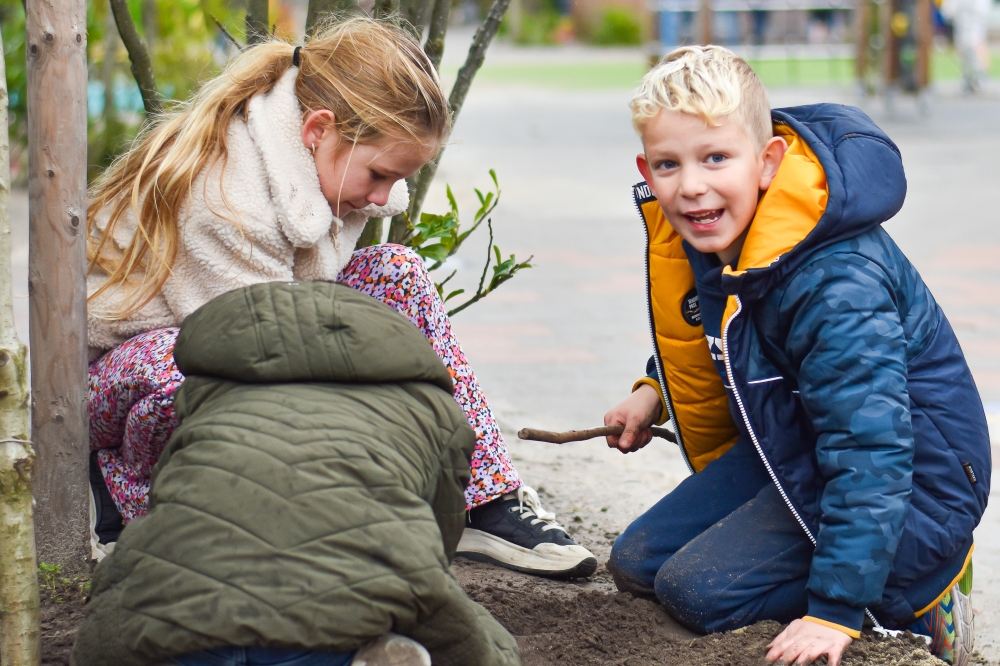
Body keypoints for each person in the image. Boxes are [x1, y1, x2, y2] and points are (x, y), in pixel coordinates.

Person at [85, 17, 596, 578]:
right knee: (177, 373)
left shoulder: (315, 164)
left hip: (257, 336)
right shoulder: (227, 198)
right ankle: (132, 506)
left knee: (394, 270)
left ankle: (482, 499)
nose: (386, 197)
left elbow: (294, 338)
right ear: (318, 129)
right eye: (378, 174)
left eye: (398, 178)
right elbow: (248, 367)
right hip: (133, 378)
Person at [603, 45, 989, 666]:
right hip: (803, 446)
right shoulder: (721, 228)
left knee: (698, 593)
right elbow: (735, 330)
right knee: (638, 561)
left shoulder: (836, 285)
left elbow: (873, 450)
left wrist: (831, 613)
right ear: (647, 173)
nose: (693, 185)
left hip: (911, 482)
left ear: (768, 161)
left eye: (716, 158)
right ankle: (837, 571)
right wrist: (653, 389)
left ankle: (920, 594)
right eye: (671, 164)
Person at [72, 281, 521, 666]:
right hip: (325, 636)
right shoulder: (433, 409)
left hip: (177, 635)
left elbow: (172, 496)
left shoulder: (208, 394)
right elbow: (438, 530)